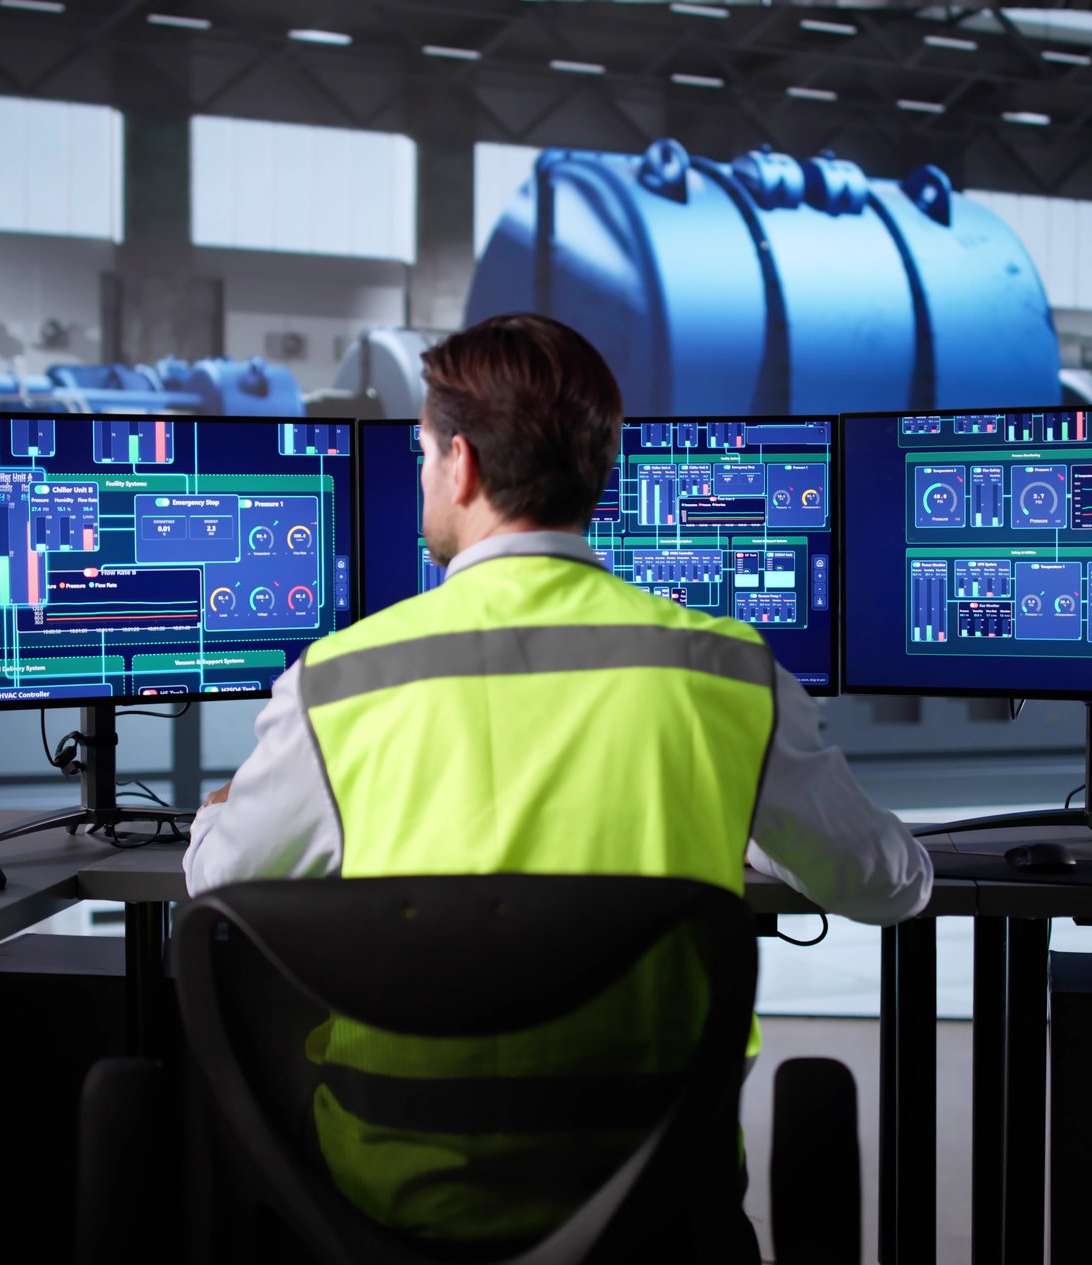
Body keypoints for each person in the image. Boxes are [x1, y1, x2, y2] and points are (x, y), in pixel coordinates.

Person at [184, 312, 931, 1249]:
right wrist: (729, 821)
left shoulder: (338, 681)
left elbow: (218, 884)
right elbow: (886, 883)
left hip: (391, 1211)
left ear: (459, 465)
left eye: (422, 453)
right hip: (658, 1202)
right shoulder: (731, 673)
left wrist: (226, 814)